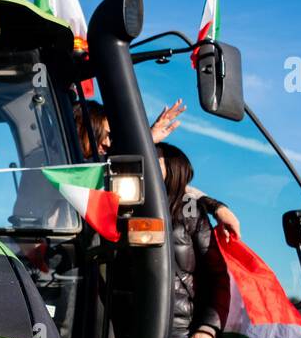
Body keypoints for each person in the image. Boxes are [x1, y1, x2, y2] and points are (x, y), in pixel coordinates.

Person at [73, 99, 241, 237]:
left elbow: (181, 190)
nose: (107, 143)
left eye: (156, 162)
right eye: (106, 134)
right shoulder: (54, 160)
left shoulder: (105, 170)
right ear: (85, 124)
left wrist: (217, 207)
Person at [155, 142, 224, 338]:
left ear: (173, 168)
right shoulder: (128, 208)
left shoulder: (192, 212)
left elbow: (219, 276)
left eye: (155, 159)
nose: (145, 161)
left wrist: (208, 329)